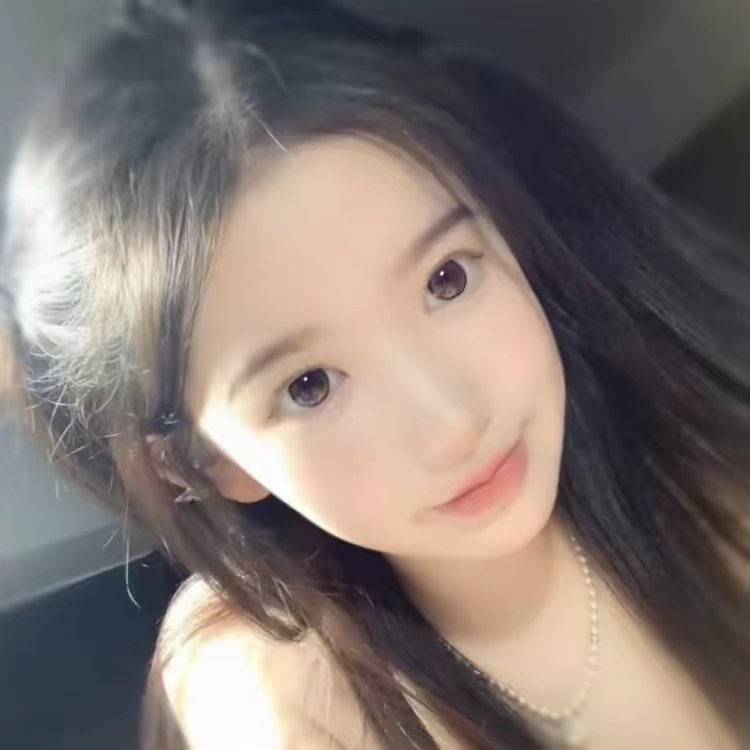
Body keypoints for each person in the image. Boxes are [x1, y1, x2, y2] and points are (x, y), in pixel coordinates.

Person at [1, 1, 748, 748]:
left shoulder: (691, 449)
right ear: (209, 462)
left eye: (448, 279)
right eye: (309, 385)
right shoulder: (280, 690)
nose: (453, 423)